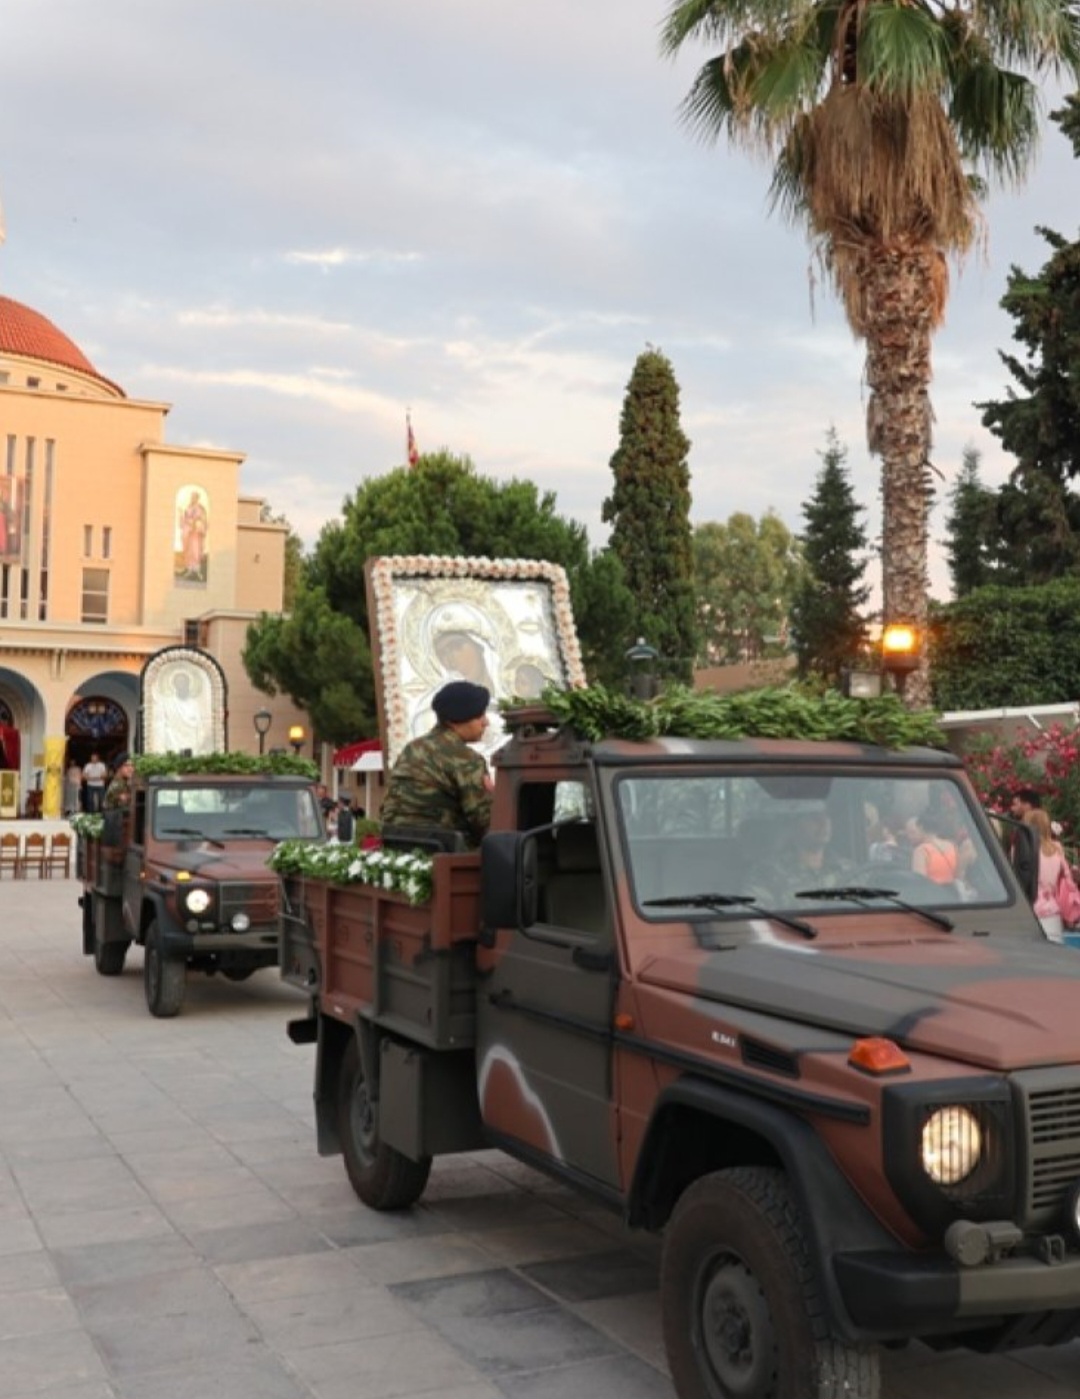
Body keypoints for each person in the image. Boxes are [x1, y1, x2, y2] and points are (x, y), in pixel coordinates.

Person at [380, 680, 493, 848]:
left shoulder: (412, 749)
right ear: (457, 719)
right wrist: (494, 799)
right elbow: (485, 824)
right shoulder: (466, 759)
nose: (486, 722)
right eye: (479, 716)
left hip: (395, 848)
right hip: (444, 854)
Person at [1026, 807, 1071, 942]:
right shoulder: (1057, 848)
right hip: (1052, 908)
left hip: (1030, 908)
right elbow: (1067, 878)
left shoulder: (1025, 849)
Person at [908, 809, 960, 884]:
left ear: (921, 827)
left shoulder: (922, 851)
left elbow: (919, 882)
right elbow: (957, 874)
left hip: (933, 890)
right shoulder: (952, 846)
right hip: (950, 890)